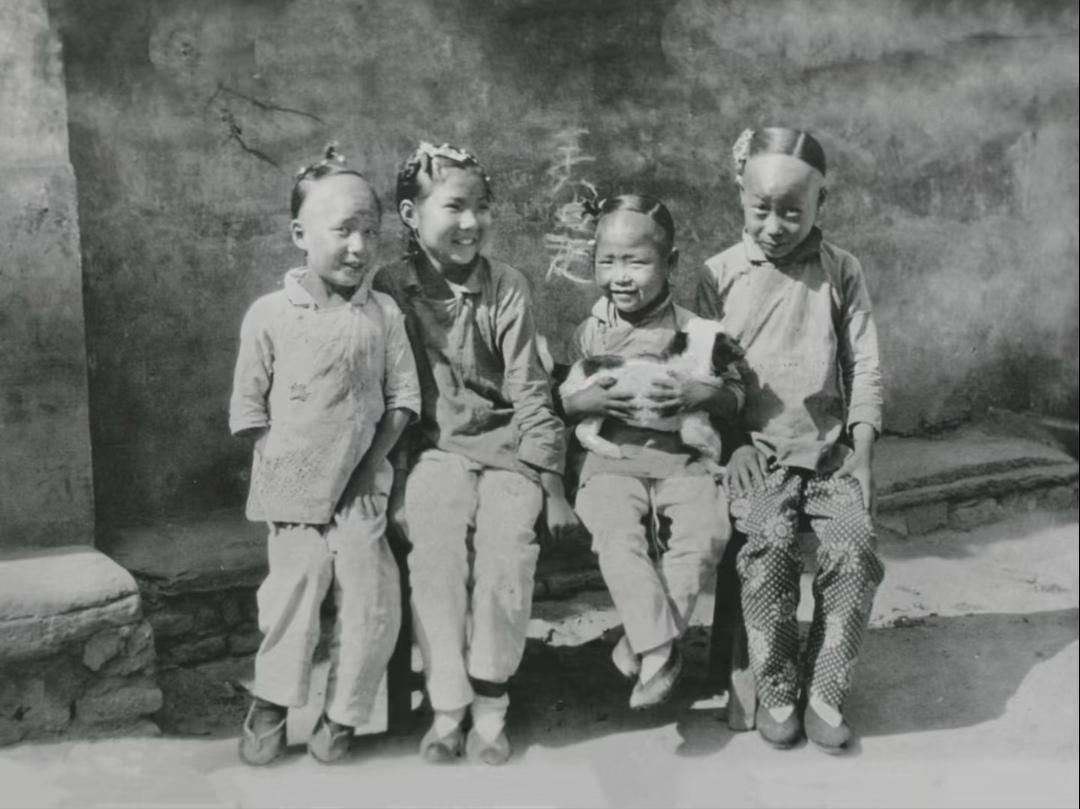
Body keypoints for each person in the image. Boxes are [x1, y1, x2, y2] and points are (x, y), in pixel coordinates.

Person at [376, 142, 578, 765]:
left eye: (482, 206)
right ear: (411, 214)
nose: (472, 222)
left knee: (506, 549)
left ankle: (491, 698)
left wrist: (551, 485)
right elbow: (394, 394)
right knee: (434, 551)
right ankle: (446, 701)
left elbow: (531, 390)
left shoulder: (506, 287)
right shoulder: (392, 289)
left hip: (510, 449)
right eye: (454, 207)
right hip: (434, 451)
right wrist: (398, 482)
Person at [228, 145, 420, 765]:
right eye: (343, 231)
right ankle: (272, 703)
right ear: (299, 235)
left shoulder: (382, 314)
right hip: (293, 492)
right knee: (296, 584)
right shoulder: (270, 315)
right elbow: (248, 411)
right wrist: (287, 469)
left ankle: (344, 714)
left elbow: (404, 399)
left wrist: (366, 469)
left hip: (361, 489)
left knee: (372, 593)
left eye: (371, 232)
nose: (359, 248)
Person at [696, 127, 885, 752]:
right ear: (740, 196)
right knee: (768, 543)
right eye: (761, 210)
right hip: (755, 457)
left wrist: (862, 452)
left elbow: (864, 367)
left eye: (792, 213)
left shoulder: (841, 272)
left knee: (855, 545)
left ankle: (826, 688)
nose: (775, 227)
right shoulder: (718, 275)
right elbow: (706, 377)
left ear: (819, 205)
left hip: (829, 456)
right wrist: (732, 443)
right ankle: (775, 684)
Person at [561, 194, 744, 710]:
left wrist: (698, 393)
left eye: (636, 262)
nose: (620, 277)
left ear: (671, 263)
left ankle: (639, 642)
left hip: (682, 455)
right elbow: (563, 398)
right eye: (607, 262)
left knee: (705, 531)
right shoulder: (590, 332)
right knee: (617, 535)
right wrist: (582, 403)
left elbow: (735, 394)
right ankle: (660, 650)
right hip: (611, 459)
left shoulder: (697, 333)